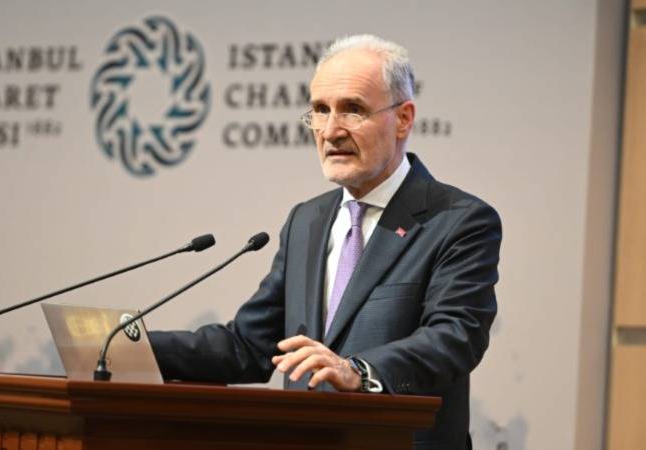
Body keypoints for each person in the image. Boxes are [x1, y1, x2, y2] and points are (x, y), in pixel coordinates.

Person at [149, 34, 501, 450]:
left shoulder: (458, 220)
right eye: (320, 110)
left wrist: (359, 371)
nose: (331, 131)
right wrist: (126, 346)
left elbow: (454, 336)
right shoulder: (307, 220)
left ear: (404, 119)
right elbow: (249, 346)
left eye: (353, 109)